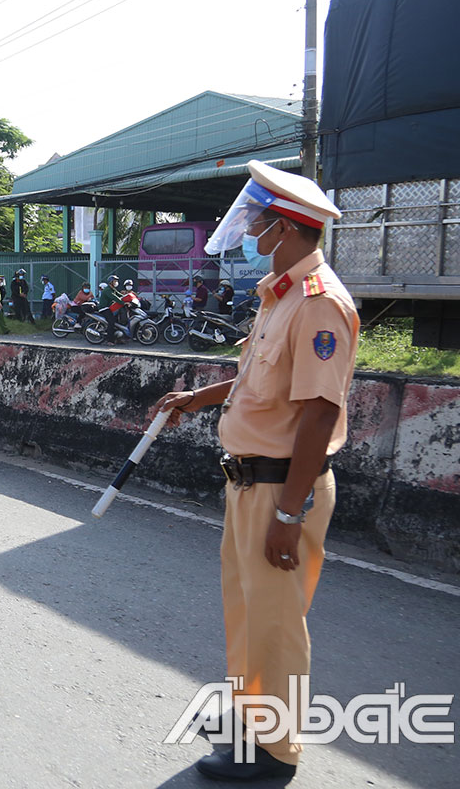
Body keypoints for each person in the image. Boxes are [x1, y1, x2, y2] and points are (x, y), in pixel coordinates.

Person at [150, 160, 358, 783]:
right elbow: (256, 382)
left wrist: (290, 515)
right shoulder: (280, 296)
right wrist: (199, 398)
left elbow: (320, 415)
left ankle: (273, 754)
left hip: (280, 488)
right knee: (246, 612)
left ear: (288, 230)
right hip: (249, 482)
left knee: (275, 622)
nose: (251, 232)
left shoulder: (319, 305)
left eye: (260, 222)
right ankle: (250, 720)